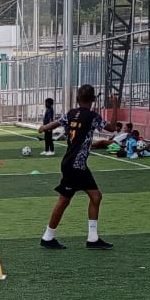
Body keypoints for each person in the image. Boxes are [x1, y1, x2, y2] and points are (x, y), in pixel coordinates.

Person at [39, 84, 118, 250]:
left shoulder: (71, 113)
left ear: (77, 99)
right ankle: (47, 237)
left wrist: (44, 127)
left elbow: (57, 123)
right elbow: (111, 128)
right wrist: (115, 105)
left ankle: (92, 238)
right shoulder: (93, 116)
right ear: (94, 99)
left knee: (95, 197)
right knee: (64, 200)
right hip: (76, 164)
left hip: (74, 163)